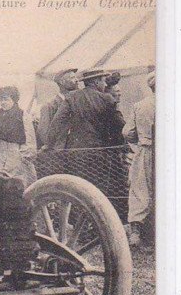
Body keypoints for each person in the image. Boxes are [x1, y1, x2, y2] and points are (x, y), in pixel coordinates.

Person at [45, 69, 125, 151]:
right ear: (96, 82)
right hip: (100, 150)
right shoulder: (106, 98)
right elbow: (119, 124)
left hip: (76, 150)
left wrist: (48, 145)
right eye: (103, 81)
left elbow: (57, 122)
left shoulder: (72, 97)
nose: (105, 84)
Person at [123, 72, 156, 247]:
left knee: (140, 190)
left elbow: (127, 132)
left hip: (146, 150)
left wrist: (141, 139)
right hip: (169, 153)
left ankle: (136, 233)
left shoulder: (141, 105)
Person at [0, 86, 37, 186]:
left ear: (14, 100)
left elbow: (30, 143)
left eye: (6, 99)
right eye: (1, 99)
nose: (2, 102)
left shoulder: (23, 116)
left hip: (15, 159)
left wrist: (21, 158)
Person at [37, 68, 78, 149]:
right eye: (72, 78)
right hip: (60, 152)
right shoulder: (49, 106)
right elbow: (43, 132)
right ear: (62, 82)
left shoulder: (77, 102)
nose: (77, 80)